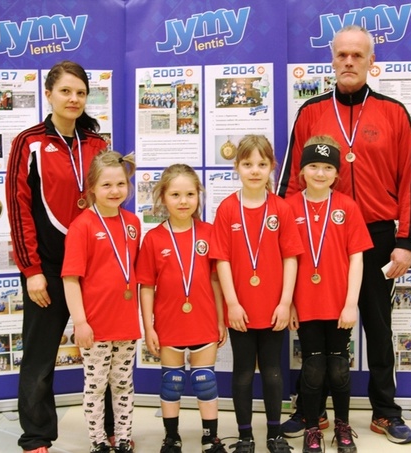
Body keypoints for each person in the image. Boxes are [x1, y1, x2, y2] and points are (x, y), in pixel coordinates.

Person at [277, 25, 411, 445]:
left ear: (371, 62)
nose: (349, 62)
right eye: (342, 55)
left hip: (375, 234)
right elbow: (290, 182)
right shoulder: (311, 112)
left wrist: (405, 241)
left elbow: (409, 182)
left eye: (358, 55)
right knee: (316, 328)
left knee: (378, 326)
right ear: (332, 60)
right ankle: (311, 411)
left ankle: (385, 411)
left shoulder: (394, 112)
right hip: (316, 236)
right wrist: (283, 240)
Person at [5, 60, 115, 453]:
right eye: (66, 91)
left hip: (93, 268)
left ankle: (111, 429)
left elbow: (110, 201)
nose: (73, 99)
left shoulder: (97, 144)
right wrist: (31, 270)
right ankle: (36, 436)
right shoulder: (29, 142)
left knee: (105, 354)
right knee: (40, 357)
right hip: (48, 269)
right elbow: (18, 208)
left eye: (80, 93)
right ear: (48, 94)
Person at [210, 135, 304, 453]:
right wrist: (232, 303)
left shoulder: (281, 208)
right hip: (241, 309)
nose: (254, 170)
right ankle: (245, 436)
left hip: (274, 308)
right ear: (236, 167)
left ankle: (275, 434)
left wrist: (286, 302)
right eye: (247, 164)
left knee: (273, 371)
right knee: (243, 372)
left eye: (262, 164)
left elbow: (291, 258)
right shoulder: (227, 209)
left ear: (271, 167)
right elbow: (221, 260)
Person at [285, 135, 373, 453]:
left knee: (338, 368)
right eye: (313, 166)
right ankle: (312, 427)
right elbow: (285, 260)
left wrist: (351, 304)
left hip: (339, 305)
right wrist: (289, 303)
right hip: (305, 304)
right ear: (302, 171)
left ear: (337, 173)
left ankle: (342, 426)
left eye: (327, 167)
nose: (320, 173)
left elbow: (356, 259)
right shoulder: (289, 207)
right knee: (312, 368)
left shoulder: (347, 207)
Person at [136, 164, 228, 453]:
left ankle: (210, 437)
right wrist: (149, 326)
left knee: (205, 382)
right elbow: (146, 286)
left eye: (190, 194)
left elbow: (216, 280)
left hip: (203, 319)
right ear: (163, 197)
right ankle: (171, 437)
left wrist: (221, 319)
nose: (183, 201)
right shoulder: (153, 238)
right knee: (172, 383)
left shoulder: (209, 233)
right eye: (175, 194)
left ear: (199, 196)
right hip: (168, 322)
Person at [62, 150, 141, 453]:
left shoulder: (132, 223)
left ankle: (122, 438)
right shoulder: (82, 226)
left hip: (126, 322)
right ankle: (98, 441)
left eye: (120, 184)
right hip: (94, 325)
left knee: (123, 384)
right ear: (92, 187)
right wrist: (80, 322)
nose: (114, 191)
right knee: (95, 387)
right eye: (106, 185)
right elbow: (71, 279)